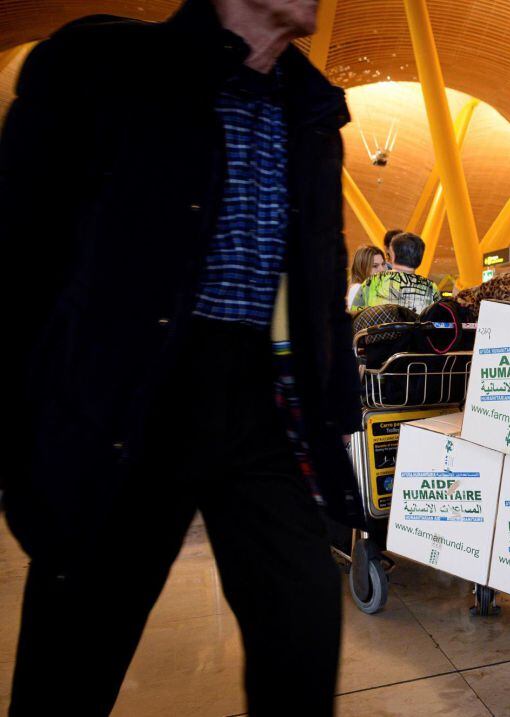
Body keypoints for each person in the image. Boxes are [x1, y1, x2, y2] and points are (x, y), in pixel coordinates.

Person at [0, 1, 363, 714]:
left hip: (263, 406)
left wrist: (336, 409)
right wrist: (23, 437)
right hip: (129, 396)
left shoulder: (312, 114)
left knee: (305, 628)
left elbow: (323, 277)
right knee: (70, 660)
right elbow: (19, 254)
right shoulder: (109, 69)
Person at [354, 231, 440, 314]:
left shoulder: (371, 283)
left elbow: (355, 319)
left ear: (393, 255)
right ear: (420, 259)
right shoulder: (431, 288)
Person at [347, 245, 387, 312]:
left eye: (383, 264)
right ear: (362, 268)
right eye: (375, 266)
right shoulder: (357, 289)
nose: (381, 269)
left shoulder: (377, 287)